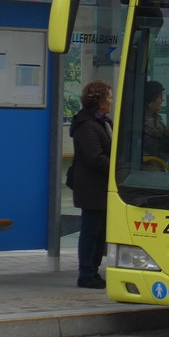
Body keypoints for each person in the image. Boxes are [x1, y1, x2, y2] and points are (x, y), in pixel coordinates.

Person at [70, 80, 112, 289]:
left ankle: (93, 271)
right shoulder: (87, 125)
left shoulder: (104, 122)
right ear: (100, 100)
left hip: (102, 187)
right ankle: (86, 273)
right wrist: (116, 167)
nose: (111, 101)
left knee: (100, 231)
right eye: (109, 97)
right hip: (92, 188)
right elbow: (95, 157)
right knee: (91, 231)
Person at [142, 80, 169, 159]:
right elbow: (155, 149)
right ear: (151, 101)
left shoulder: (157, 119)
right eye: (160, 97)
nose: (162, 100)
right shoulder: (140, 124)